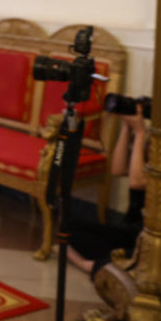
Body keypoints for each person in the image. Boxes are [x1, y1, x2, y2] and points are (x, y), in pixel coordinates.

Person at [68, 111, 147, 278]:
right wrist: (127, 127)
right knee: (69, 229)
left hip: (146, 240)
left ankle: (92, 266)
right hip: (129, 231)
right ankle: (104, 266)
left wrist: (140, 133)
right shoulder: (149, 147)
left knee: (134, 259)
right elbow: (117, 169)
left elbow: (137, 182)